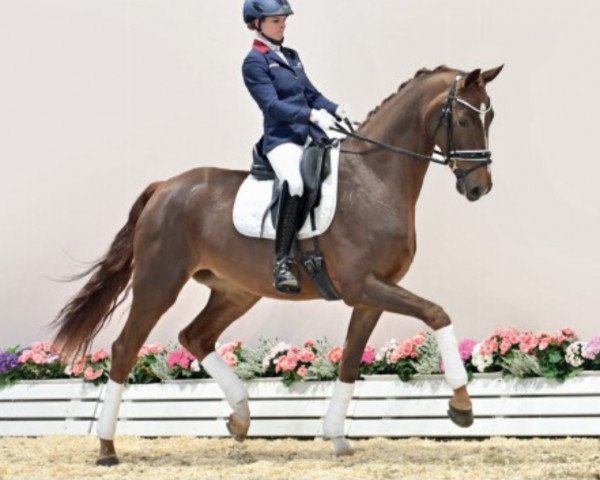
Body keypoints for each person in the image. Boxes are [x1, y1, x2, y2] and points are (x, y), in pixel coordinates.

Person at [242, 0, 352, 294]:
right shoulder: (255, 61)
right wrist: (310, 115)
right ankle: (283, 261)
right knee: (295, 183)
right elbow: (272, 105)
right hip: (281, 139)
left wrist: (335, 109)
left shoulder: (291, 56)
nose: (282, 25)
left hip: (309, 134)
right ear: (258, 23)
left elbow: (311, 94)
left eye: (283, 20)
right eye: (276, 21)